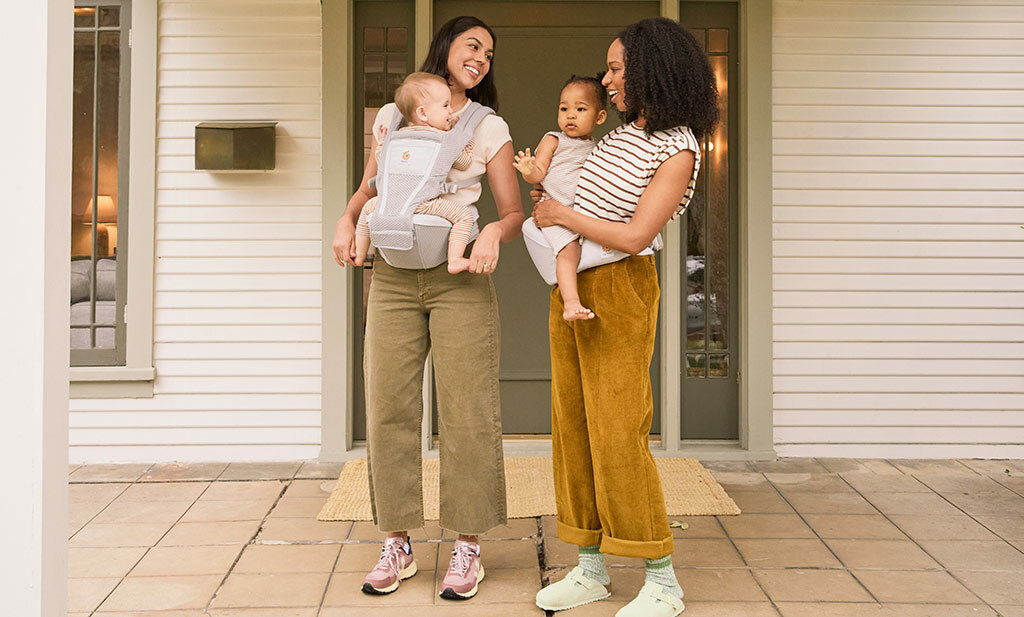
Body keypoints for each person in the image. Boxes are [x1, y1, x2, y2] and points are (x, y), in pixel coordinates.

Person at [331, 15, 524, 601]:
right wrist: (345, 218)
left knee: (468, 410)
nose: (482, 57)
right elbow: (372, 188)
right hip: (390, 277)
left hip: (456, 279)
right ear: (446, 48)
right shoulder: (395, 116)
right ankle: (398, 544)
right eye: (473, 45)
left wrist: (491, 234)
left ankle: (467, 546)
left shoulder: (487, 127)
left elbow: (512, 210)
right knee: (387, 405)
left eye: (490, 52)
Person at [531, 18, 718, 617]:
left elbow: (638, 235)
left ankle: (662, 579)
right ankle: (591, 568)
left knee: (618, 430)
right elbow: (572, 193)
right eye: (608, 69)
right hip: (573, 285)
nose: (607, 80)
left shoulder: (680, 147)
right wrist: (546, 203)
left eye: (617, 68)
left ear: (652, 68)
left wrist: (561, 214)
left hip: (619, 287)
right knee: (574, 425)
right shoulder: (614, 136)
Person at [354, 72, 478, 274]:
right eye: (445, 105)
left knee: (366, 211)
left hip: (388, 203)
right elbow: (464, 163)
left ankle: (360, 253)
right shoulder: (443, 139)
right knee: (464, 216)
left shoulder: (396, 138)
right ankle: (454, 259)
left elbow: (381, 160)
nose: (452, 110)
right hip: (423, 204)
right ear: (423, 113)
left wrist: (382, 143)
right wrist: (466, 142)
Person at [514, 75, 607, 321]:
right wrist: (528, 169)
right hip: (554, 212)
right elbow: (539, 172)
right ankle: (571, 303)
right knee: (568, 251)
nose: (570, 115)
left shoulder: (598, 147)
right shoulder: (553, 139)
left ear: (600, 117)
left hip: (582, 214)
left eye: (580, 109)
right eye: (564, 108)